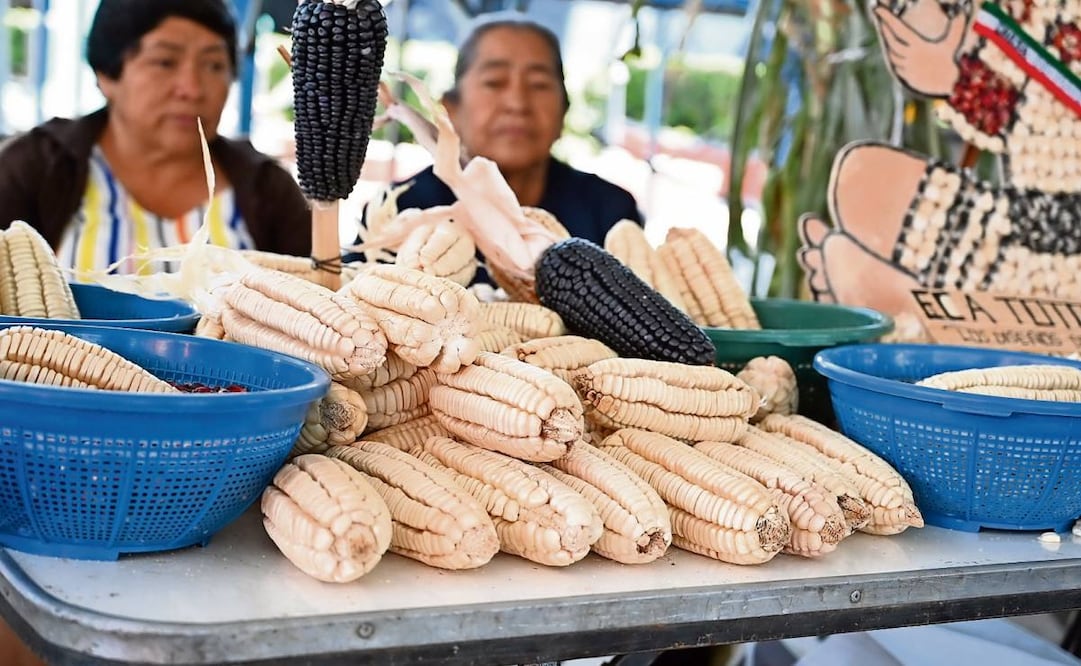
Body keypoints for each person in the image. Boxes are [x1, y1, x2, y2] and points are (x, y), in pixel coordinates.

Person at [0, 0, 311, 277]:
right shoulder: (36, 167)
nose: (191, 88)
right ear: (107, 75)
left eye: (214, 65)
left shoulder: (269, 189)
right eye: (165, 61)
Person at [381, 13, 643, 247]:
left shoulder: (610, 214)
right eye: (494, 83)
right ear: (451, 110)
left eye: (539, 84)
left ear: (564, 112)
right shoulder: (398, 210)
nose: (517, 104)